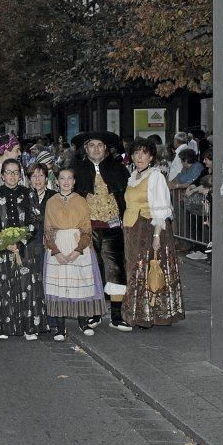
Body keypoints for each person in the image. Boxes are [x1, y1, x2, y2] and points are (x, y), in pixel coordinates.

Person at [0, 158, 47, 340]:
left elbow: (35, 219)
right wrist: (2, 239)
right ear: (2, 175)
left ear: (20, 175)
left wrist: (21, 239)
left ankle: (28, 327)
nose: (12, 176)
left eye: (16, 172)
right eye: (8, 172)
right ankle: (2, 327)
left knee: (25, 285)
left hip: (24, 248)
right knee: (2, 286)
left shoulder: (28, 193)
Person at [73, 132, 133, 332]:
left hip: (113, 226)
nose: (96, 149)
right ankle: (95, 313)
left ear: (106, 148)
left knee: (115, 268)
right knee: (92, 271)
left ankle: (116, 315)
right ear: (86, 148)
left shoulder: (119, 169)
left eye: (100, 145)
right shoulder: (76, 170)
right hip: (87, 228)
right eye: (92, 145)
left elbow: (126, 198)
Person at [122, 139, 185, 327]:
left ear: (151, 156)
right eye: (136, 153)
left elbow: (162, 207)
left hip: (147, 229)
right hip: (131, 229)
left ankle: (147, 315)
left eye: (143, 153)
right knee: (133, 269)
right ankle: (135, 312)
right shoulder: (132, 176)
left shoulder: (155, 176)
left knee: (145, 270)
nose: (139, 156)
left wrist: (157, 236)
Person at [43, 168, 108, 340]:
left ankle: (83, 321)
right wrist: (55, 251)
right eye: (62, 178)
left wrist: (78, 250)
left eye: (69, 178)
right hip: (57, 246)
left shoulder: (81, 201)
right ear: (56, 181)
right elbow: (48, 229)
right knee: (59, 285)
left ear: (74, 182)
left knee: (80, 283)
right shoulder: (51, 202)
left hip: (78, 247)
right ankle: (60, 327)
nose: (65, 181)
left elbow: (87, 229)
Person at [28, 162, 57, 329]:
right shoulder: (24, 196)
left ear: (46, 178)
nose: (37, 179)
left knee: (49, 281)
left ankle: (51, 319)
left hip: (48, 245)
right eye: (34, 176)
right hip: (29, 245)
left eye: (41, 175)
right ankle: (33, 317)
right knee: (31, 282)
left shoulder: (54, 196)